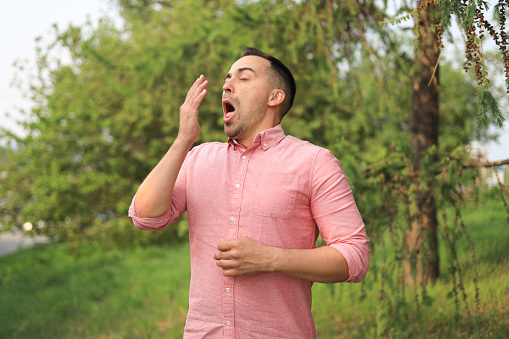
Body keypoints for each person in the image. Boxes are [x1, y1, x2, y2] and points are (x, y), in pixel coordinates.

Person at [128, 47, 369, 338]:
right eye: (227, 80)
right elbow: (145, 217)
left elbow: (354, 256)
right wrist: (183, 140)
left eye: (244, 78)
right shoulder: (197, 158)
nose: (227, 85)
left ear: (274, 97)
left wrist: (271, 258)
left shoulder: (314, 162)